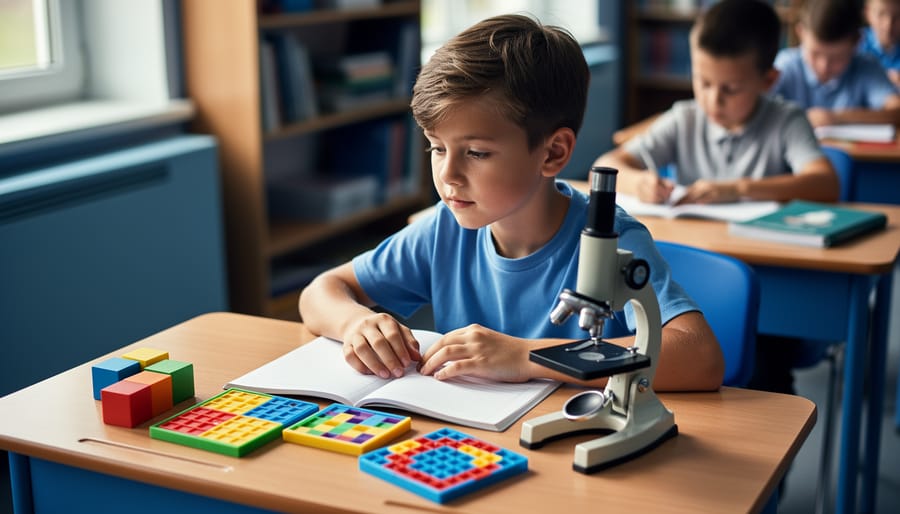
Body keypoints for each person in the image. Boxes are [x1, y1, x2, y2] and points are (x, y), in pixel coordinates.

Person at [298, 14, 724, 392]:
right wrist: (356, 323)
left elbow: (698, 357)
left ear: (553, 153)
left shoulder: (611, 237)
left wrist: (527, 357)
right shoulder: (444, 229)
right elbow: (320, 292)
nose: (447, 175)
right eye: (436, 148)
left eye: (477, 153)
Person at [595, 0, 840, 206]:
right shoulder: (685, 119)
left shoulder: (787, 121)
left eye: (731, 89)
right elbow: (605, 165)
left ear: (768, 80)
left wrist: (738, 188)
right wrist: (640, 184)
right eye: (703, 82)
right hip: (694, 245)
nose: (713, 100)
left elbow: (826, 184)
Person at [771, 0, 900, 128]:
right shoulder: (785, 66)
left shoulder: (866, 67)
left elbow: (896, 112)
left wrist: (835, 118)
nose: (824, 66)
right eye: (815, 54)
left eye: (837, 57)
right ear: (801, 33)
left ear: (856, 43)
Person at [859, 0, 900, 88]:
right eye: (881, 14)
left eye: (898, 16)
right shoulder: (854, 44)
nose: (888, 24)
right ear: (867, 13)